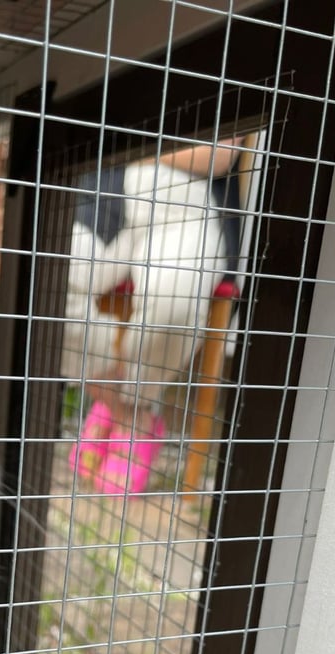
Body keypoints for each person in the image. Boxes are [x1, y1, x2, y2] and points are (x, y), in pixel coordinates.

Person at [67, 138, 243, 495]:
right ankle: (119, 403)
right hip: (109, 195)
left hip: (188, 201)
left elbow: (219, 155)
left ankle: (137, 403)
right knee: (45, 286)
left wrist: (128, 143)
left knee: (175, 305)